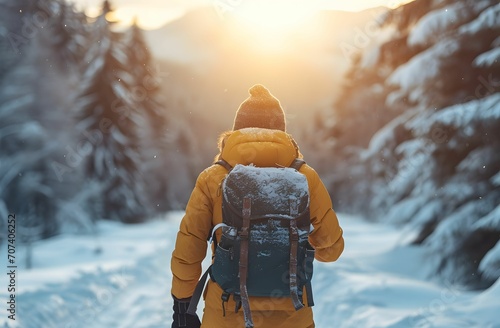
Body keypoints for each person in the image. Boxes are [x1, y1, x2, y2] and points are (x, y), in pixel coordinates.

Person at [171, 84, 344, 328]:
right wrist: (297, 240)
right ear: (281, 130)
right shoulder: (305, 176)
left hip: (225, 314)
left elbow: (190, 246)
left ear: (236, 130)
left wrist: (182, 305)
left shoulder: (213, 177)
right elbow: (332, 248)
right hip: (293, 316)